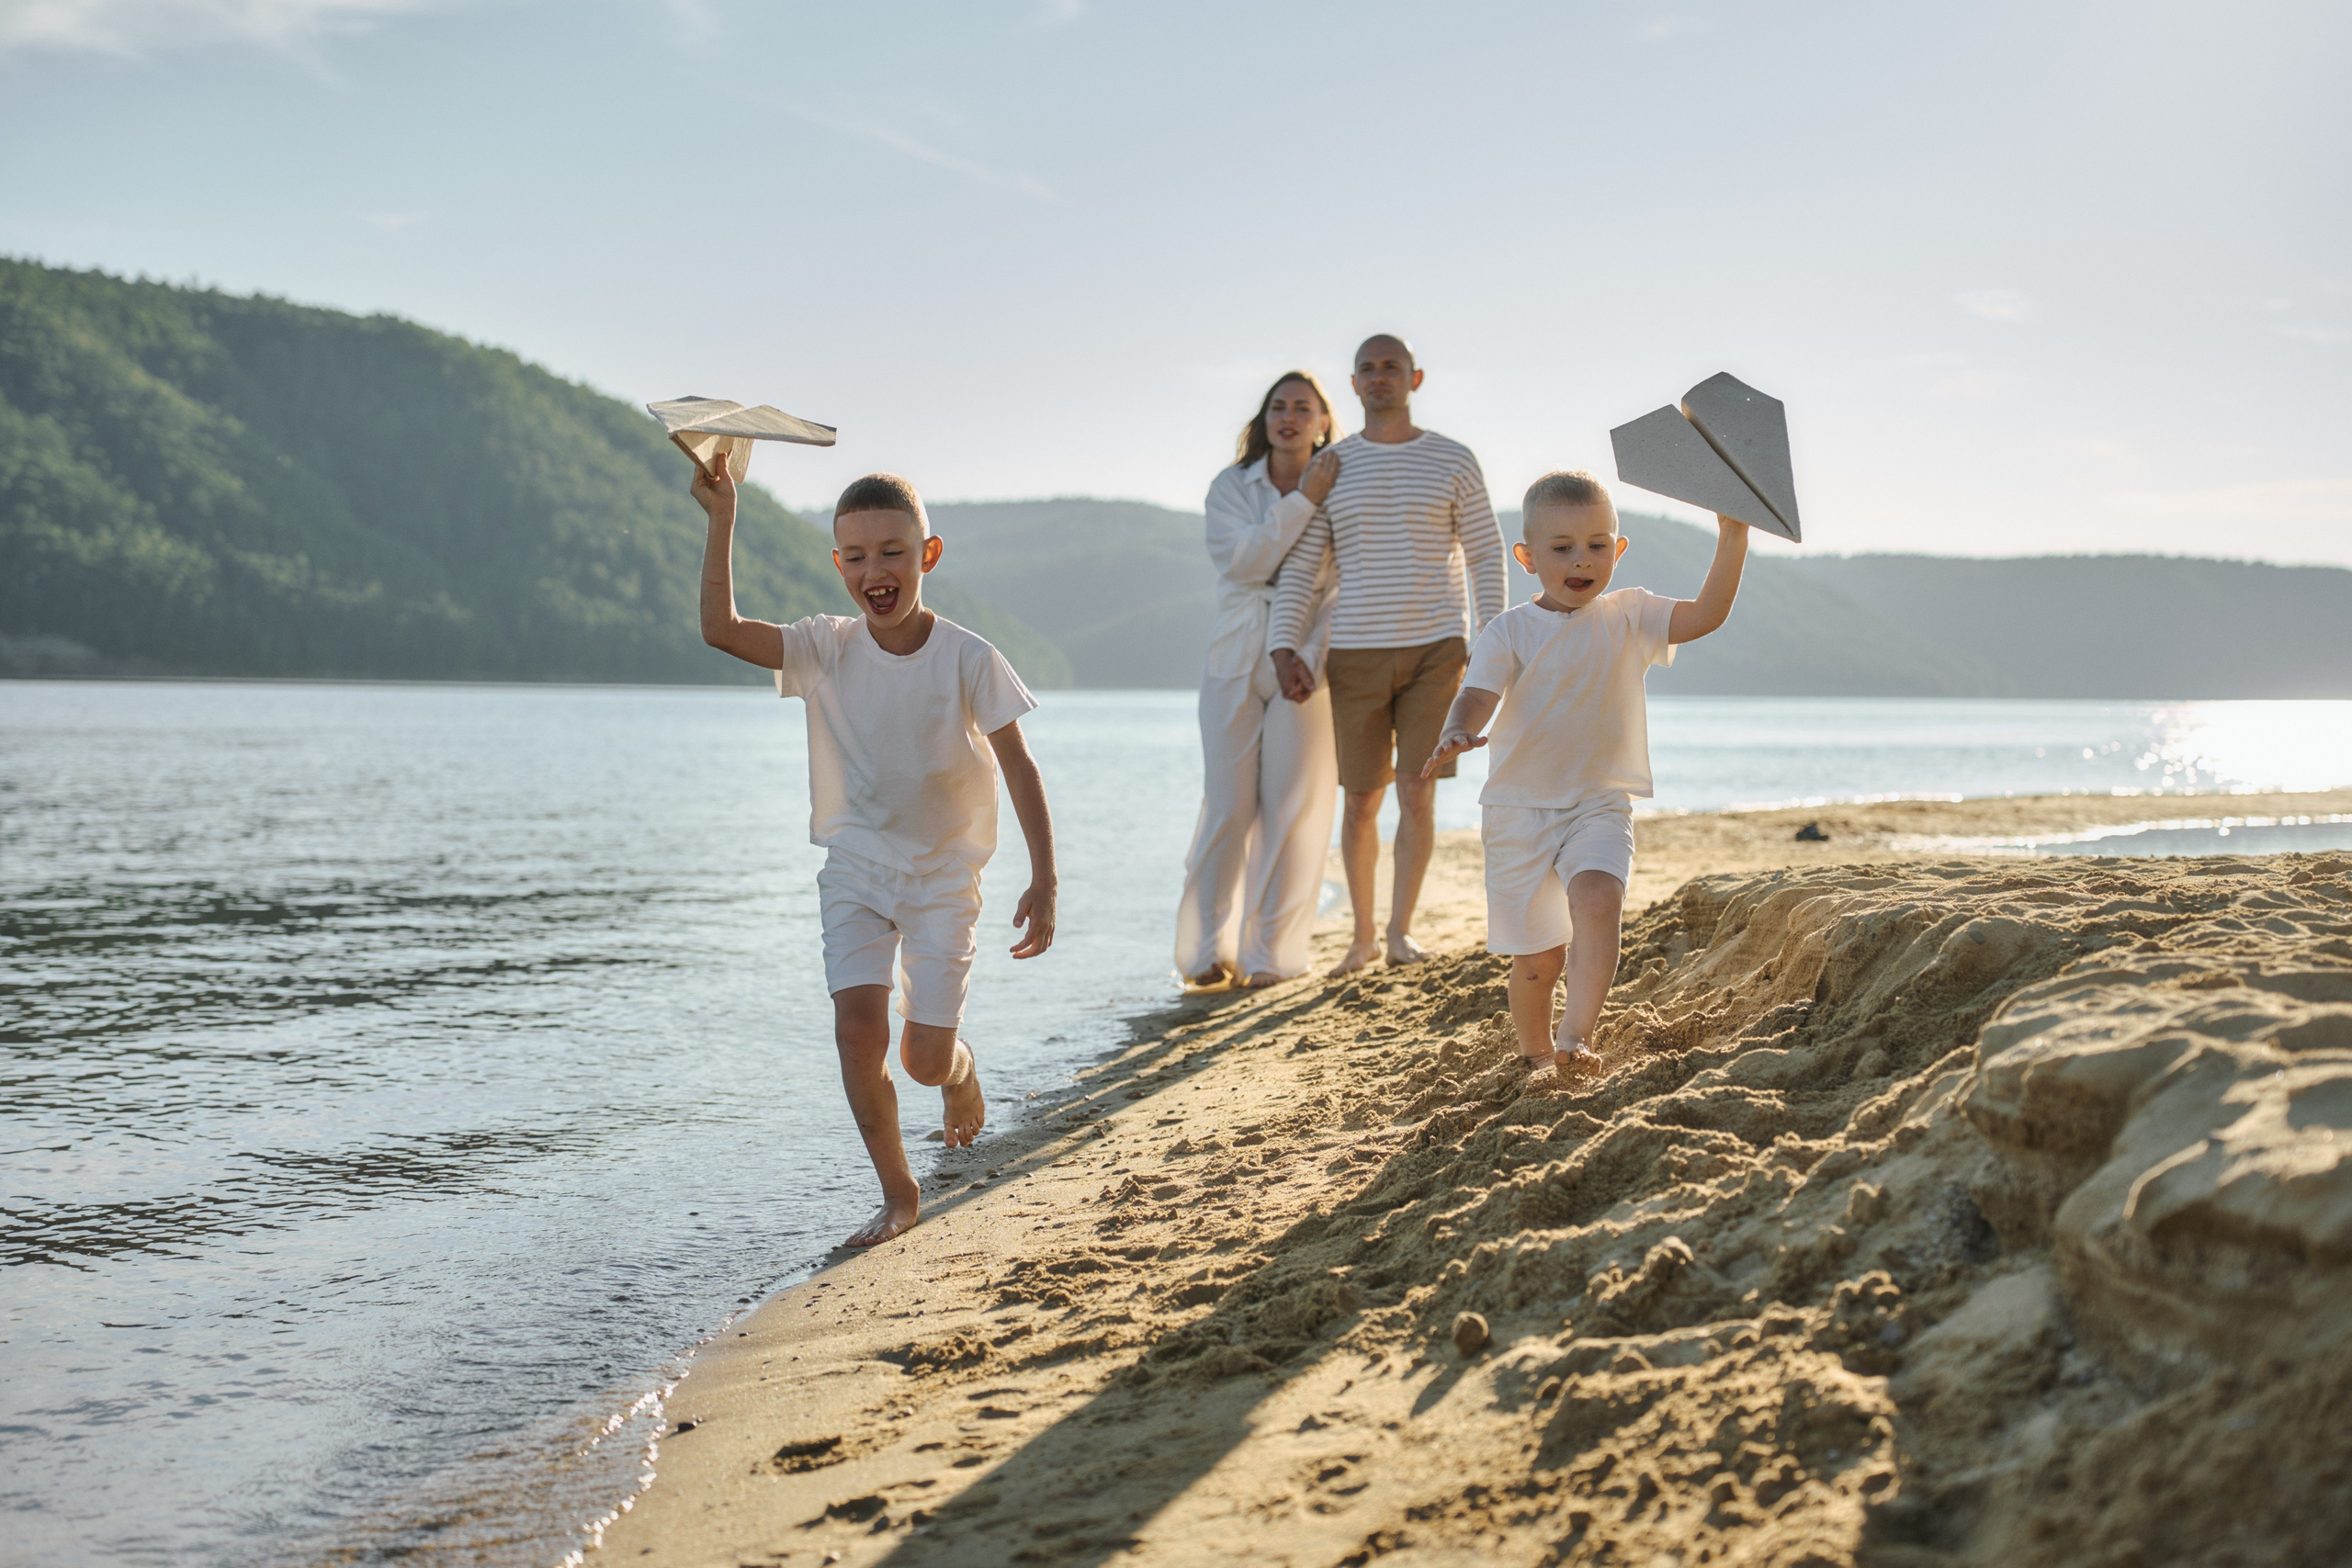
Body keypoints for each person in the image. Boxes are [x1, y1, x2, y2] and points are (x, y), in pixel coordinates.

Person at [693, 465, 1057, 1248]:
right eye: (854, 556)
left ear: (927, 554)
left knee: (922, 1058)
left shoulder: (968, 657)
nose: (874, 572)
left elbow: (1020, 766)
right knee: (858, 1030)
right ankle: (900, 1194)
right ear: (836, 565)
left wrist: (1045, 876)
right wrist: (724, 515)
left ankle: (960, 1069)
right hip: (855, 868)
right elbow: (721, 630)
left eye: (891, 553)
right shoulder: (824, 647)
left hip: (942, 877)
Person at [1422, 469, 1748, 1074]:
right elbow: (1476, 694)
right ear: (1527, 557)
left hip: (1599, 801)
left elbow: (1707, 613)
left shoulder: (1631, 615)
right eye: (1562, 546)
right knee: (1538, 960)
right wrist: (1456, 730)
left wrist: (1732, 534)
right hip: (1517, 810)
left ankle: (1575, 1039)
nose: (1583, 559)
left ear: (1618, 550)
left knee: (1598, 898)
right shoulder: (1509, 630)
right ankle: (1533, 1053)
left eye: (1598, 544)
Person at [1267, 333, 1506, 976]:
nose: (1380, 377)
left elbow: (1485, 550)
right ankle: (1362, 937)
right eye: (1367, 368)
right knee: (1362, 800)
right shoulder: (1335, 465)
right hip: (1354, 651)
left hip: (1437, 645)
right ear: (1353, 383)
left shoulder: (1453, 459)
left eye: (1391, 367)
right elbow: (1303, 566)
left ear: (1415, 378)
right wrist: (1284, 644)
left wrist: (1493, 639)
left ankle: (1400, 933)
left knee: (1416, 789)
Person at [1174, 372, 1344, 988]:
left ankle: (1270, 954)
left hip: (1307, 659)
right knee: (1228, 806)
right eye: (1278, 406)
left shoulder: (1342, 483)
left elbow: (1338, 583)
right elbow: (1244, 560)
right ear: (1265, 418)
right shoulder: (1231, 485)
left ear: (1324, 420)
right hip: (1235, 657)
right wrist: (1304, 500)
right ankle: (1204, 950)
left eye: (1304, 407)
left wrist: (1313, 654)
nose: (1289, 416)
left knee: (1292, 808)